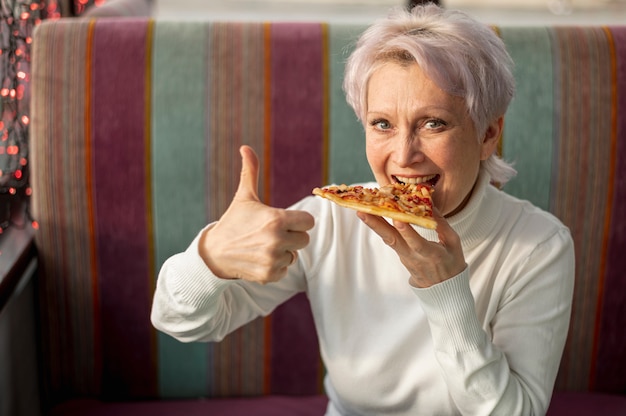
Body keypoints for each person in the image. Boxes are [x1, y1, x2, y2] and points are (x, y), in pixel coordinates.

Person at [151, 4, 575, 415]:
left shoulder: (539, 245)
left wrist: (447, 292)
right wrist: (210, 258)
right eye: (383, 124)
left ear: (488, 133)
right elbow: (178, 321)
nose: (404, 155)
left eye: (434, 123)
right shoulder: (333, 220)